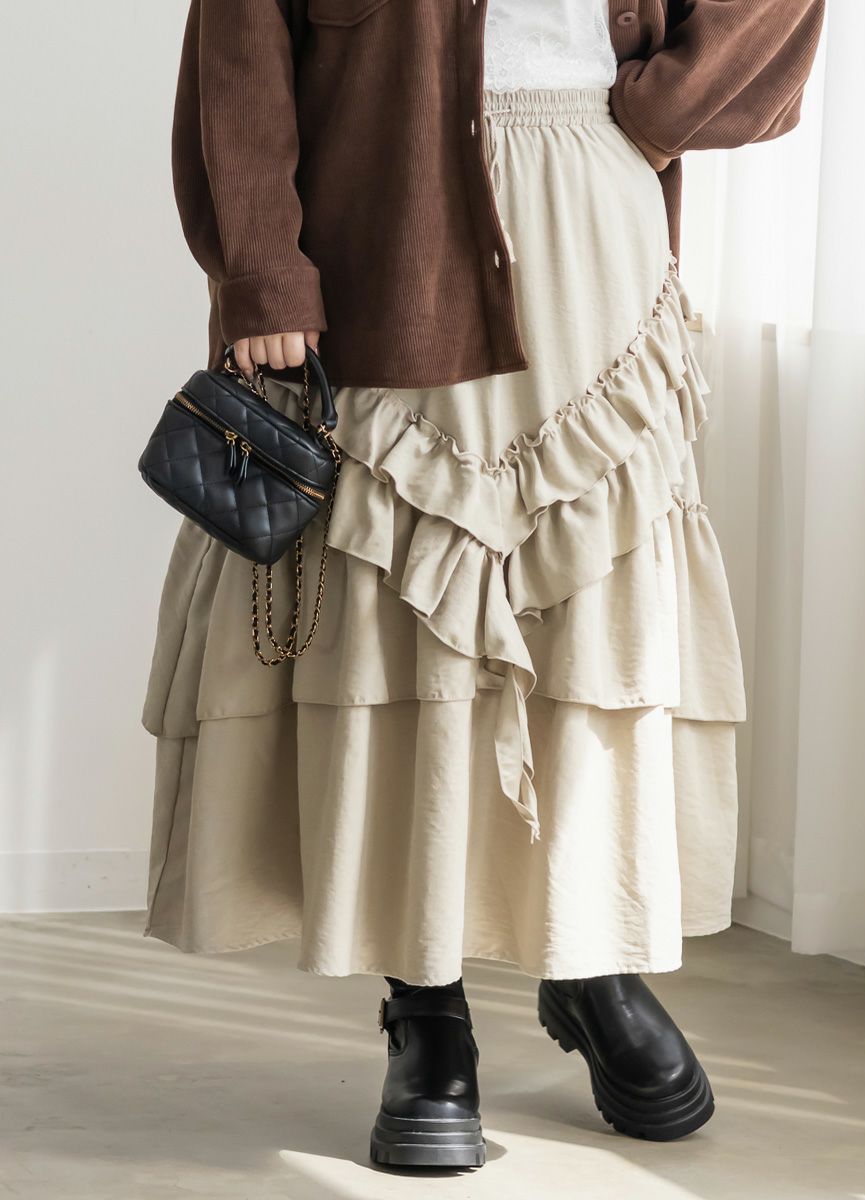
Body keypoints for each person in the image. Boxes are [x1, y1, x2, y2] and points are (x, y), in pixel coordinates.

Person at [141, 0, 825, 1170]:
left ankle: (588, 961)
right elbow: (237, 50)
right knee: (403, 607)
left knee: (585, 609)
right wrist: (261, 272)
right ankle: (427, 1013)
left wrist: (664, 103)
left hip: (593, 227)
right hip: (382, 225)